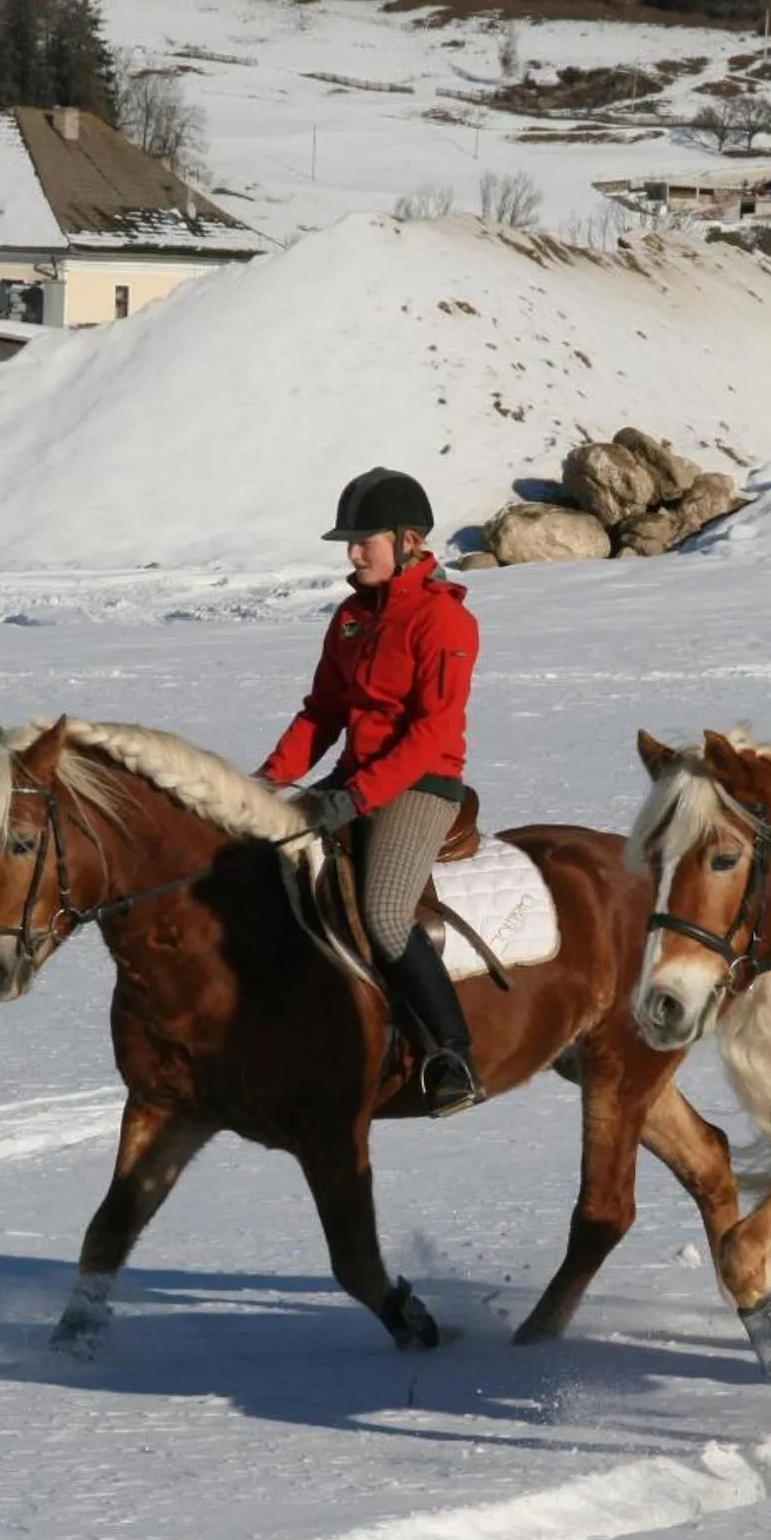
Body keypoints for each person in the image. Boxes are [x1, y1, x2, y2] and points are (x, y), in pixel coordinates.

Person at [261, 468, 485, 1117]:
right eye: (350, 542)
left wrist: (354, 797)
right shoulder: (352, 617)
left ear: (409, 540)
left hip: (421, 784)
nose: (353, 554)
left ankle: (453, 1054)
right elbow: (322, 713)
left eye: (364, 541)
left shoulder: (444, 620)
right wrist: (266, 785)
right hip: (355, 778)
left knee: (386, 913)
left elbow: (429, 732)